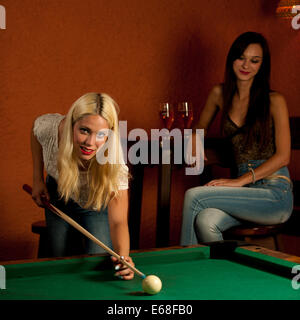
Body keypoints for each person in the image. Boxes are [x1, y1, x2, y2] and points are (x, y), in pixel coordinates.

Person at [180, 32, 293, 245]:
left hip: (274, 192)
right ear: (232, 58)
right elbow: (199, 127)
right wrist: (194, 137)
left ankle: (185, 268)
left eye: (254, 60)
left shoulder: (275, 100)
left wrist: (239, 181)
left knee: (194, 196)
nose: (246, 65)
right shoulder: (219, 94)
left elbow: (283, 157)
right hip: (244, 193)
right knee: (205, 220)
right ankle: (219, 275)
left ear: (262, 65)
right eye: (241, 57)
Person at [31, 92, 134, 280]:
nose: (90, 142)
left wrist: (123, 257)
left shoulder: (114, 163)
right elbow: (35, 132)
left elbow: (118, 222)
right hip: (59, 194)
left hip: (94, 202)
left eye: (101, 134)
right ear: (72, 125)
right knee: (58, 257)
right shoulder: (52, 129)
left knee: (98, 261)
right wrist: (37, 179)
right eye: (84, 130)